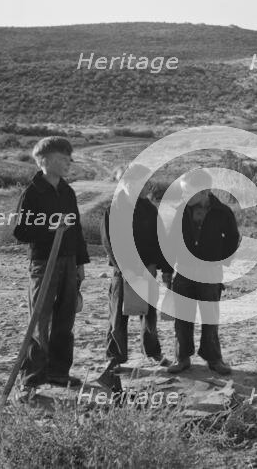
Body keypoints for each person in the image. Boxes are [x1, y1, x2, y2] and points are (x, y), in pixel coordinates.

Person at [13, 136, 89, 397]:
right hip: (44, 262)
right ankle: (32, 378)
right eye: (61, 159)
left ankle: (58, 372)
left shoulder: (67, 191)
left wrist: (81, 262)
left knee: (65, 317)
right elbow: (20, 230)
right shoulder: (32, 192)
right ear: (43, 161)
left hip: (68, 260)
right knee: (39, 320)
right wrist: (48, 228)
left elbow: (76, 229)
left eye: (69, 159)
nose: (67, 163)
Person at [99, 164, 172, 378]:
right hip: (123, 274)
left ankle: (153, 352)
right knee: (117, 318)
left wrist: (166, 270)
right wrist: (125, 269)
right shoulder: (114, 209)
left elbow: (161, 242)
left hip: (148, 270)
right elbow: (108, 243)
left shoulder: (149, 209)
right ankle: (114, 358)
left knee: (149, 316)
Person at [165, 168, 240, 376]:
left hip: (210, 273)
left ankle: (214, 359)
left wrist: (221, 261)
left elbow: (233, 238)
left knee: (210, 318)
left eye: (187, 191)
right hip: (184, 273)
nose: (183, 196)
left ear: (204, 191)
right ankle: (182, 357)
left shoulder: (223, 211)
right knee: (182, 318)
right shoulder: (179, 210)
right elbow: (170, 241)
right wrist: (167, 270)